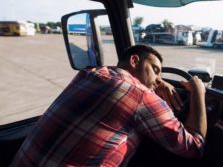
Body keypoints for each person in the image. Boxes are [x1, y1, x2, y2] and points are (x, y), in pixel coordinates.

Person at [11, 44, 207, 167]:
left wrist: (155, 81)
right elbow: (194, 147)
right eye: (155, 70)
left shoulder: (89, 74)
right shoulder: (140, 95)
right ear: (134, 60)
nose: (158, 80)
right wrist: (198, 91)